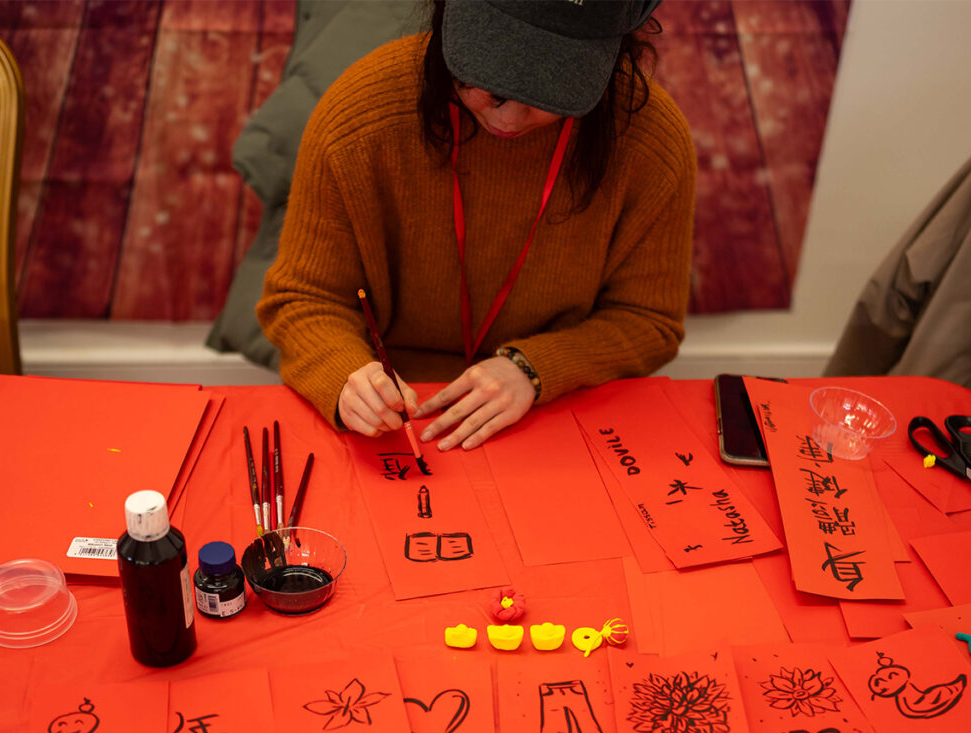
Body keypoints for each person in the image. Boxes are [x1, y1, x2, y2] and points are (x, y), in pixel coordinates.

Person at [257, 0, 695, 451]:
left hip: (553, 412)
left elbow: (648, 320)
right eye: (490, 86)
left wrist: (532, 369)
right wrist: (345, 371)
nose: (506, 120)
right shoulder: (363, 115)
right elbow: (302, 299)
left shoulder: (648, 139)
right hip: (398, 414)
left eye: (549, 95)